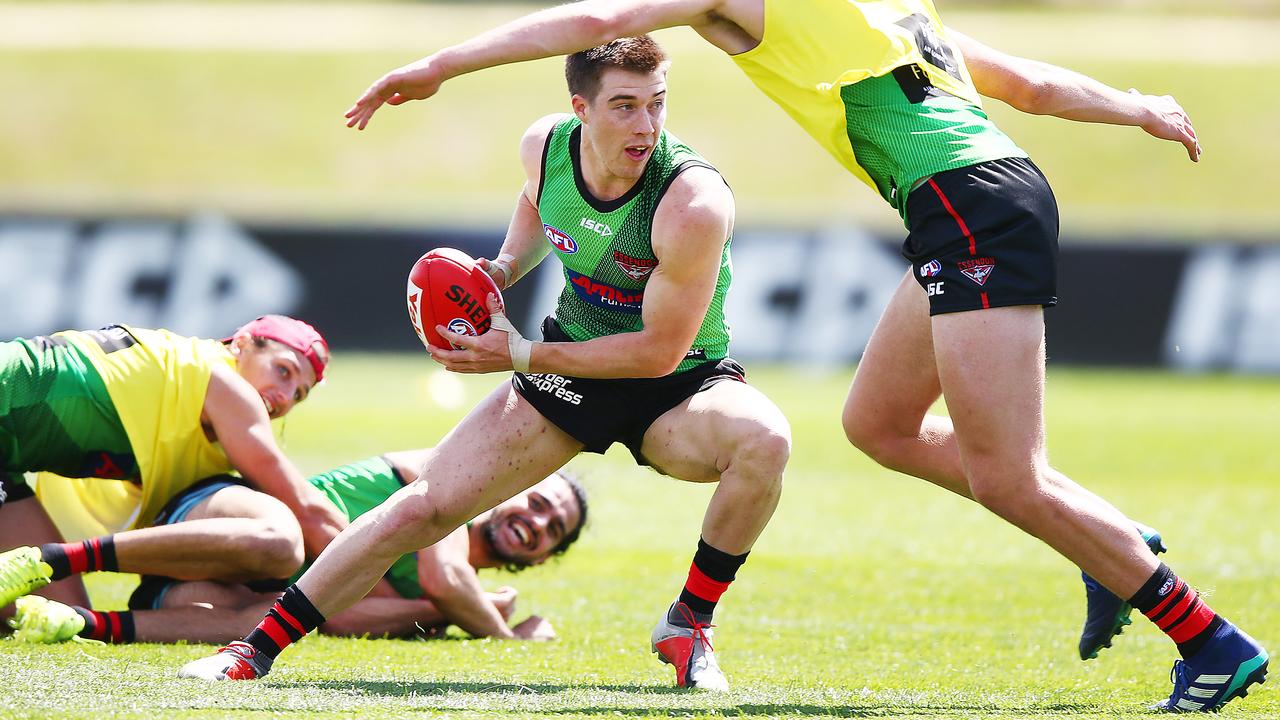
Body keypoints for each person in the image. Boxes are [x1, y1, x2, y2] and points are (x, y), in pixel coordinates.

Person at [338, 0, 1264, 712]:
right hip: (975, 202)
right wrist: (1135, 107)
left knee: (1010, 478)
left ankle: (1206, 640)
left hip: (971, 209)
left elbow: (599, 21)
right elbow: (1022, 85)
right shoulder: (881, 8)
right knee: (879, 425)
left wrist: (439, 64)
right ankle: (1106, 550)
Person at [179, 36, 791, 690]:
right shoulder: (546, 147)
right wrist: (503, 265)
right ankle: (251, 652)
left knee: (765, 442)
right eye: (624, 106)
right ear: (579, 108)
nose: (646, 125)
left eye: (657, 104)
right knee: (419, 511)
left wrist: (519, 354)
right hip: (570, 376)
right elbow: (538, 199)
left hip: (677, 387)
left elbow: (657, 352)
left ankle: (690, 621)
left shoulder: (692, 203)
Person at [8, 450, 587, 644]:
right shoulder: (454, 471)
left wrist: (444, 615)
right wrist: (507, 635)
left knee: (267, 623)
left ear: (543, 558)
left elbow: (333, 613)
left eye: (552, 531)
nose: (537, 523)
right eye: (538, 502)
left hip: (226, 585)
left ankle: (80, 622)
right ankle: (57, 557)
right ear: (510, 486)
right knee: (283, 543)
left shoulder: (455, 592)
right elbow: (445, 581)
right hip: (225, 514)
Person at [0, 316, 349, 634]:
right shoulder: (224, 383)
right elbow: (308, 511)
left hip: (7, 464)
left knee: (50, 616)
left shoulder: (194, 411)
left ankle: (48, 561)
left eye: (299, 395)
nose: (284, 397)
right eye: (283, 371)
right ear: (240, 344)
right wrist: (381, 564)